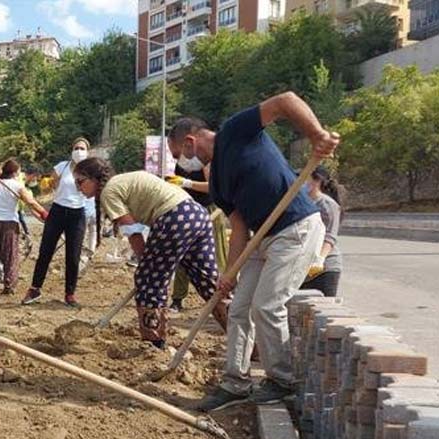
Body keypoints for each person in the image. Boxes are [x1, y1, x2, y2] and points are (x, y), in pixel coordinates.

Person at [168, 92, 337, 412]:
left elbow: (285, 101)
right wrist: (227, 275)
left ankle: (283, 381)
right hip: (260, 239)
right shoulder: (217, 182)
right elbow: (239, 230)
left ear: (190, 142)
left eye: (180, 154)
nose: (182, 163)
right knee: (239, 308)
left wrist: (316, 135)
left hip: (295, 228)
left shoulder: (234, 131)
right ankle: (235, 381)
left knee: (267, 306)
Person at [74, 161, 227, 348]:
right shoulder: (123, 180)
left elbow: (133, 231)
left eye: (80, 182)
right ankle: (247, 340)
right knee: (210, 283)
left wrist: (146, 266)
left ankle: (154, 343)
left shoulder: (109, 191)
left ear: (94, 178)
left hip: (175, 217)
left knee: (148, 280)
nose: (78, 188)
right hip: (196, 214)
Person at [22, 137, 92, 307]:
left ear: (88, 151)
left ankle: (70, 293)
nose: (79, 151)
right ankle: (35, 288)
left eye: (82, 148)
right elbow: (47, 187)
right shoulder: (62, 167)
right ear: (72, 150)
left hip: (77, 215)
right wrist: (51, 183)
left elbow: (94, 191)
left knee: (73, 256)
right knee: (45, 251)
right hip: (58, 211)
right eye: (77, 147)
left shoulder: (90, 171)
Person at [164, 163, 229, 313]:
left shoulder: (204, 161)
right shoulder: (180, 164)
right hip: (188, 210)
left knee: (217, 257)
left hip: (209, 210)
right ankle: (177, 299)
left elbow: (212, 187)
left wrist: (187, 183)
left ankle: (225, 296)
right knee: (183, 256)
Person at [0, 159, 47, 295]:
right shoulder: (17, 186)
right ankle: (9, 286)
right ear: (15, 172)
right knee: (10, 256)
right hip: (9, 223)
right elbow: (31, 202)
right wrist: (45, 213)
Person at [299, 165, 343, 297]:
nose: (301, 183)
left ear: (316, 181)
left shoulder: (327, 204)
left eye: (304, 179)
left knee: (321, 311)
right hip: (304, 268)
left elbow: (330, 236)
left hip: (325, 268)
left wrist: (319, 259)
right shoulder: (302, 203)